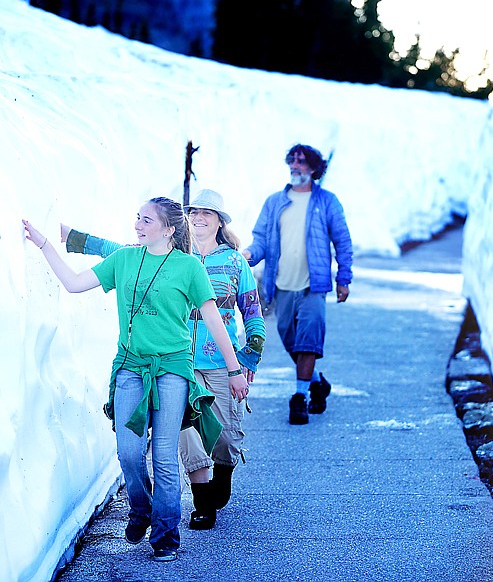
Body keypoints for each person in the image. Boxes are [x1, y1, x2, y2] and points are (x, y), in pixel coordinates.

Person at [22, 197, 249, 563]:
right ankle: (141, 509)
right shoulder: (125, 259)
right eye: (138, 218)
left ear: (169, 230)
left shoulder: (189, 267)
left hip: (173, 369)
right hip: (130, 367)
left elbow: (213, 320)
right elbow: (74, 283)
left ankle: (165, 534)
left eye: (147, 220)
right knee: (128, 452)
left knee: (164, 455)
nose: (138, 225)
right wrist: (45, 243)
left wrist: (234, 370)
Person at [61, 189, 266, 531]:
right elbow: (118, 253)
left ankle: (223, 473)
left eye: (207, 213)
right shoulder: (172, 258)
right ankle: (202, 503)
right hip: (179, 362)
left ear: (220, 222)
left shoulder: (234, 262)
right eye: (194, 212)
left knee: (226, 438)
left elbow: (253, 312)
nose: (199, 217)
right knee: (187, 437)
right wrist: (71, 237)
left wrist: (249, 357)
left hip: (220, 361)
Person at [242, 143, 353, 425]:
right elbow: (261, 239)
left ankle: (300, 397)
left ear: (314, 168)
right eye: (292, 160)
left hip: (313, 286)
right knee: (290, 339)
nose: (295, 165)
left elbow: (342, 242)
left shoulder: (327, 202)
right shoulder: (274, 202)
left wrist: (343, 279)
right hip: (281, 285)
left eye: (301, 161)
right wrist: (249, 255)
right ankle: (317, 383)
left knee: (308, 341)